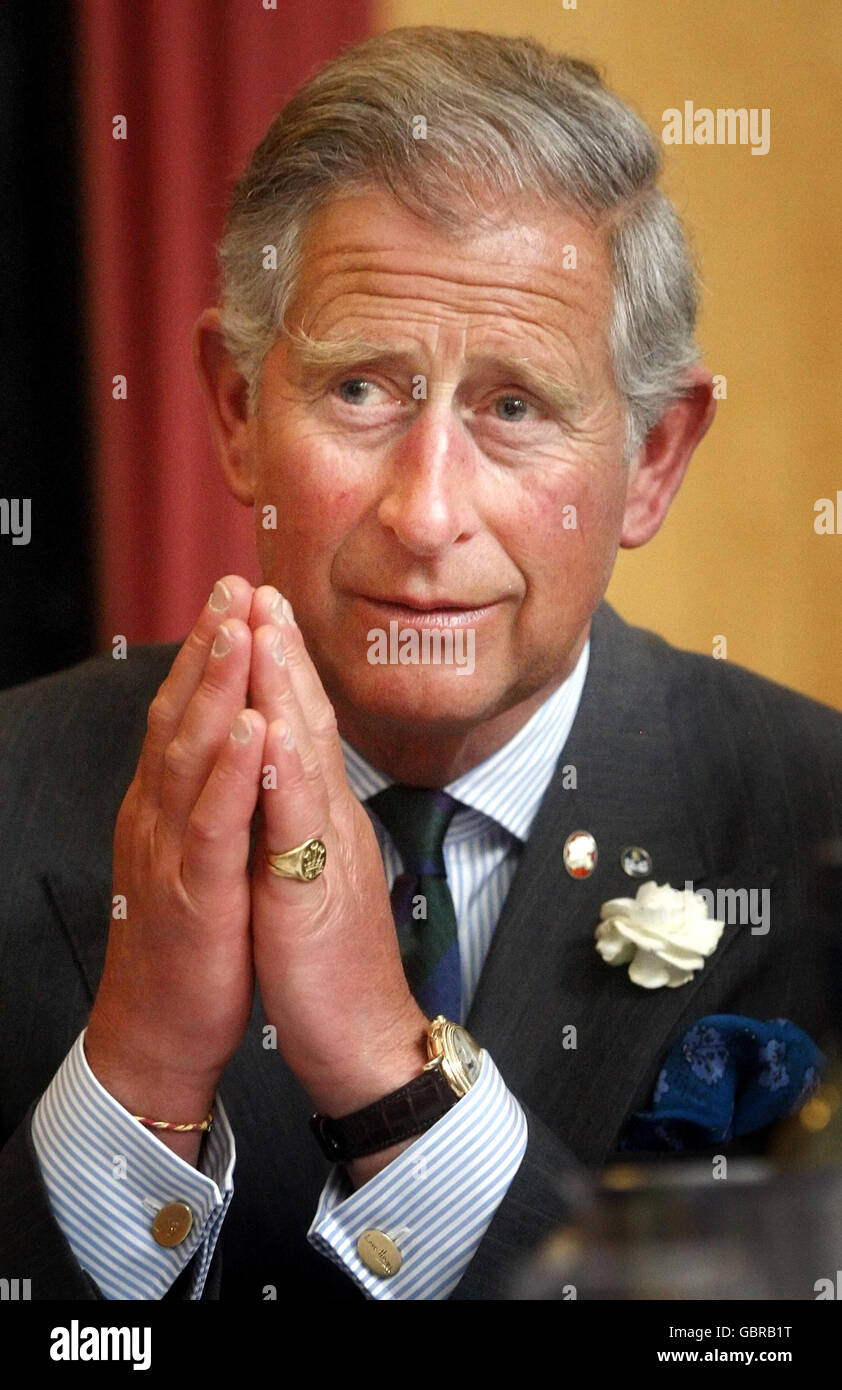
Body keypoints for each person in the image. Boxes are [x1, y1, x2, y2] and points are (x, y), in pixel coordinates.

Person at [0, 27, 840, 1302]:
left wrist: (396, 1083)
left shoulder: (814, 823)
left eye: (513, 406)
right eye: (357, 390)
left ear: (652, 458)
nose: (425, 510)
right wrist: (140, 1071)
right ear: (235, 410)